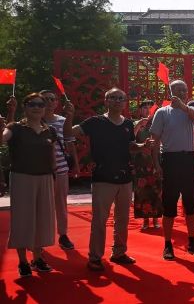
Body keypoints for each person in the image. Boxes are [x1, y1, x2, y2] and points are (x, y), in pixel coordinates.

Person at [63, 88, 138, 271]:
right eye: (113, 98)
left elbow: (131, 147)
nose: (117, 101)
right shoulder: (95, 122)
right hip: (103, 178)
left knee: (123, 220)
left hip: (125, 178)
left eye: (121, 98)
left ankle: (119, 252)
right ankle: (95, 257)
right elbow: (69, 134)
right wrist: (69, 115)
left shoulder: (128, 124)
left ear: (125, 102)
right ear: (106, 101)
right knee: (99, 220)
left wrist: (142, 146)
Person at [3, 93, 56, 277]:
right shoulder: (15, 128)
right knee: (23, 219)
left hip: (45, 178)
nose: (37, 107)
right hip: (22, 177)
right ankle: (23, 261)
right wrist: (8, 115)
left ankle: (38, 257)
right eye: (31, 104)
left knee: (43, 219)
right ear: (24, 107)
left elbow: (53, 157)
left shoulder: (50, 130)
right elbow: (3, 138)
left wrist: (54, 175)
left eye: (40, 104)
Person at [150, 80, 194, 260]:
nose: (182, 92)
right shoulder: (162, 113)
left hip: (189, 160)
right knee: (169, 205)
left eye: (184, 89)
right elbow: (155, 141)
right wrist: (157, 164)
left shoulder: (190, 111)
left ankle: (192, 241)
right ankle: (167, 244)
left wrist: (183, 106)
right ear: (170, 91)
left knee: (190, 204)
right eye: (178, 90)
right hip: (170, 160)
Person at [35, 89, 79, 250]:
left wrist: (76, 165)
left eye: (52, 99)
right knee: (40, 204)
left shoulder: (62, 121)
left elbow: (69, 141)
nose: (49, 102)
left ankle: (63, 234)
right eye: (45, 99)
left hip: (60, 168)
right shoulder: (33, 121)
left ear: (56, 103)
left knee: (61, 204)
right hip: (39, 169)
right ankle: (40, 235)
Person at [132, 100, 162, 230]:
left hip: (155, 162)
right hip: (141, 163)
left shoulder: (158, 125)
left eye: (150, 108)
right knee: (142, 191)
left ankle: (155, 219)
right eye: (145, 108)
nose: (147, 110)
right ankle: (145, 220)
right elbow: (130, 140)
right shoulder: (135, 124)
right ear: (140, 110)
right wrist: (138, 125)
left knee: (156, 191)